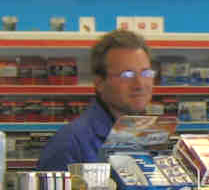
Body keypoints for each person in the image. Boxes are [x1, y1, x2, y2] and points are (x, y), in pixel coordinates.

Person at [35, 30, 155, 170]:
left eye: (146, 73)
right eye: (127, 75)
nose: (140, 84)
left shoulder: (148, 135)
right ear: (99, 83)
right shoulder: (70, 144)